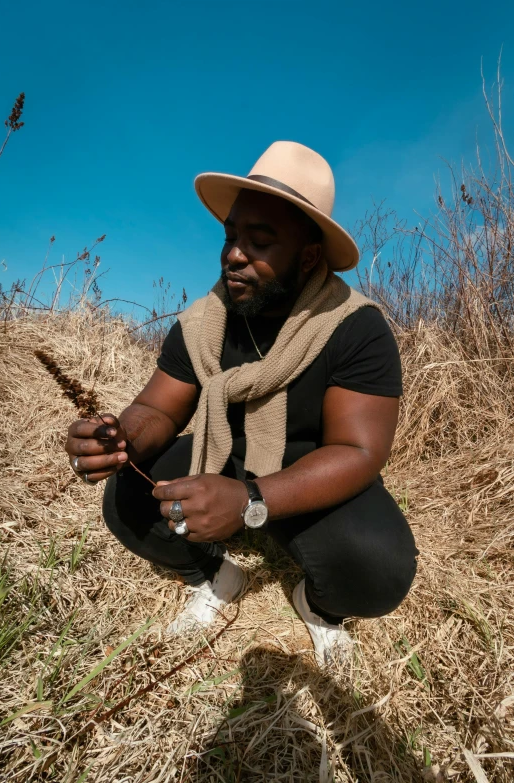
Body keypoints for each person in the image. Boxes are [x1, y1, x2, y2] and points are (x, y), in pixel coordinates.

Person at [65, 141, 418, 668]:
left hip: (311, 477)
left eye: (260, 241)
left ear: (309, 256)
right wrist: (120, 439)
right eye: (231, 236)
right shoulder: (202, 324)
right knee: (126, 497)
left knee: (378, 571)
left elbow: (358, 451)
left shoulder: (354, 326)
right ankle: (214, 575)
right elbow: (160, 410)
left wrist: (252, 500)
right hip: (223, 456)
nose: (233, 253)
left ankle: (316, 605)